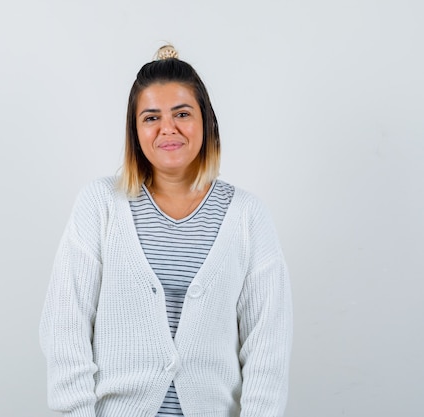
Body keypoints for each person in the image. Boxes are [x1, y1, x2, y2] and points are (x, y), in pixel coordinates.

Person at [40, 44, 293, 417]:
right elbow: (65, 326)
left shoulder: (247, 216)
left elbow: (268, 347)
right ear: (135, 130)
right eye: (151, 117)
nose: (167, 129)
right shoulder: (100, 204)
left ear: (206, 121)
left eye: (182, 113)